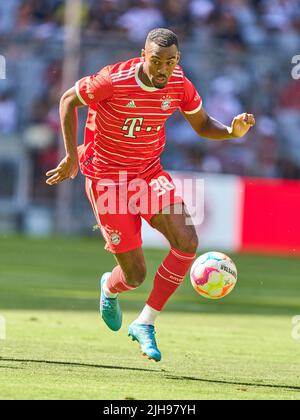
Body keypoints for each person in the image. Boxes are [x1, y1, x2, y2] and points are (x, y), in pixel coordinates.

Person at [46, 28, 255, 362]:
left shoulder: (179, 84)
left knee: (187, 241)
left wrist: (231, 132)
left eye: (169, 62)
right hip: (107, 180)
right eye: (156, 61)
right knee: (135, 275)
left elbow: (201, 125)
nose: (162, 69)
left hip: (147, 174)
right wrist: (71, 156)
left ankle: (145, 322)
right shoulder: (112, 80)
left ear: (178, 61)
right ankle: (109, 287)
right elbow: (68, 99)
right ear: (142, 55)